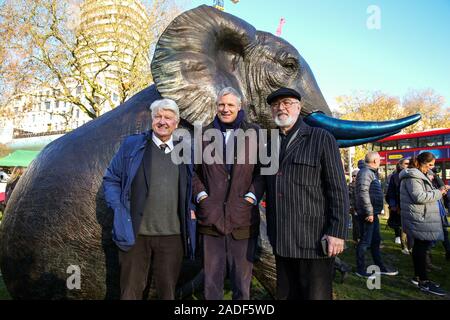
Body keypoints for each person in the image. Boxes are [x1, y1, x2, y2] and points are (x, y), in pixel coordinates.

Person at [103, 98, 196, 300]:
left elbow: (196, 183)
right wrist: (118, 207)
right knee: (130, 292)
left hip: (173, 235)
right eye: (158, 117)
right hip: (135, 234)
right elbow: (111, 178)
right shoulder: (132, 145)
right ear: (151, 120)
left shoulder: (187, 151)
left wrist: (194, 205)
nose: (162, 121)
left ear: (176, 123)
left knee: (167, 293)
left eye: (168, 117)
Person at [264, 87, 349, 300]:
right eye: (275, 105)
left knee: (315, 295)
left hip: (313, 239)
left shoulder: (321, 138)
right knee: (286, 295)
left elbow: (337, 188)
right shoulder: (269, 144)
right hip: (281, 239)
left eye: (287, 103)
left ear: (299, 107)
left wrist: (337, 231)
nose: (281, 108)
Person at [193, 87, 264, 300]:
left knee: (242, 286)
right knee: (211, 284)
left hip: (243, 220)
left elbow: (263, 173)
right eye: (222, 105)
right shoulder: (202, 134)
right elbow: (192, 173)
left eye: (230, 105)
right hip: (210, 221)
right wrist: (202, 198)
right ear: (217, 107)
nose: (225, 109)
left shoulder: (256, 133)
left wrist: (250, 198)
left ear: (239, 107)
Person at [400, 152, 447, 296]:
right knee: (421, 247)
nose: (432, 167)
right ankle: (424, 282)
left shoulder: (417, 175)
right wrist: (439, 192)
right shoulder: (413, 176)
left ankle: (419, 278)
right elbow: (419, 196)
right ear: (422, 163)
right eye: (430, 164)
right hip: (419, 217)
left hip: (420, 216)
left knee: (421, 247)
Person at [355, 152, 398, 277]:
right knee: (365, 242)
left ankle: (381, 267)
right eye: (379, 160)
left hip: (373, 213)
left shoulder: (370, 172)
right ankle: (360, 269)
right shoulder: (365, 173)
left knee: (375, 241)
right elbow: (363, 193)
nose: (381, 161)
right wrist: (369, 212)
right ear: (374, 161)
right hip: (368, 214)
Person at [385, 158, 412, 254]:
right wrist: (393, 205)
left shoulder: (412, 174)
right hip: (399, 206)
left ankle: (411, 246)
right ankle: (405, 247)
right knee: (403, 227)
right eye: (406, 163)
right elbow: (391, 192)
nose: (408, 165)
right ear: (400, 164)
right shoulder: (394, 176)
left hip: (411, 205)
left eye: (409, 163)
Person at [348, 169, 360, 244]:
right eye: (353, 176)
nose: (354, 177)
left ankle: (360, 239)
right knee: (355, 225)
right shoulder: (350, 186)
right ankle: (355, 240)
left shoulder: (361, 184)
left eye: (355, 176)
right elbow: (348, 197)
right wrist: (351, 206)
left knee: (361, 225)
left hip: (361, 207)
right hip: (354, 208)